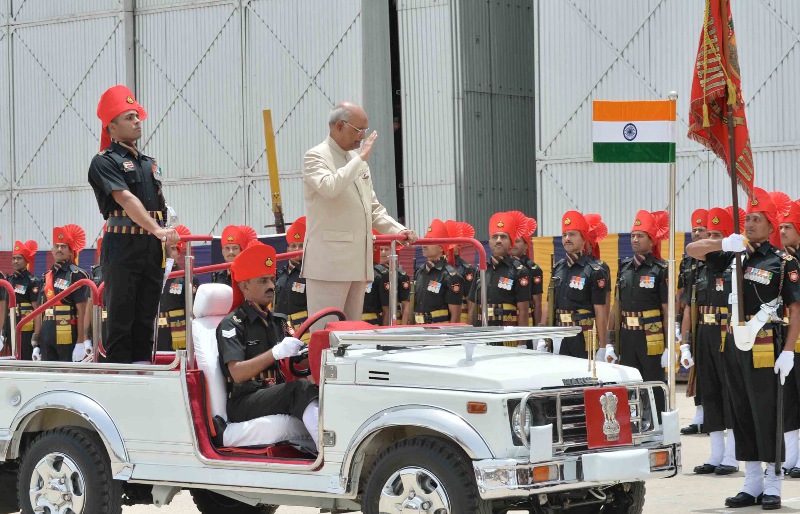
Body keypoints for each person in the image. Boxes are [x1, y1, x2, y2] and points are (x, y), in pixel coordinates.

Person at [686, 188, 800, 510]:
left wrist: (789, 350)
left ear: (770, 225)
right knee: (742, 412)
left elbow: (795, 308)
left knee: (768, 414)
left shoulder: (782, 261)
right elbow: (693, 249)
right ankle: (751, 483)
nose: (749, 223)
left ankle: (774, 483)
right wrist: (723, 243)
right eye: (747, 218)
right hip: (733, 345)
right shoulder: (733, 254)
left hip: (766, 345)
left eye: (756, 219)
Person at [88, 85, 180, 364]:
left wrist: (169, 237)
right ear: (112, 128)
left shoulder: (148, 163)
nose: (137, 121)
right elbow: (126, 199)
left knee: (146, 319)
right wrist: (158, 230)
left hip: (152, 247)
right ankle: (119, 379)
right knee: (121, 321)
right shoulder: (104, 162)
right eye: (129, 117)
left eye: (137, 116)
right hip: (123, 247)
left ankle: (142, 375)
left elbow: (160, 207)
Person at [302, 101, 417, 324]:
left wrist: (401, 231)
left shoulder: (356, 161)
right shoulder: (315, 156)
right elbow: (329, 188)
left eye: (365, 130)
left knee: (351, 333)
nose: (362, 136)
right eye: (358, 130)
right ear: (338, 126)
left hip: (358, 262)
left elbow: (372, 208)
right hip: (329, 264)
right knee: (327, 332)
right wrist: (360, 159)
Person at [216, 243, 319, 450]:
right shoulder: (233, 323)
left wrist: (317, 352)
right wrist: (275, 353)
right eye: (263, 281)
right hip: (244, 400)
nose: (271, 285)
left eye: (271, 279)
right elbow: (237, 373)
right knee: (299, 390)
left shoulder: (278, 320)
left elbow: (299, 360)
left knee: (323, 389)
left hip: (272, 393)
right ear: (245, 286)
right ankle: (327, 454)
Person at [689, 207, 741, 476]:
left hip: (728, 332)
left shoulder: (738, 261)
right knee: (709, 392)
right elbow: (690, 247)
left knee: (729, 393)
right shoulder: (702, 263)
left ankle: (732, 455)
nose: (710, 240)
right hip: (706, 333)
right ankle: (715, 453)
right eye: (708, 234)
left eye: (717, 234)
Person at [606, 210, 670, 417]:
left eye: (640, 235)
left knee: (653, 381)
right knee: (629, 381)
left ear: (651, 241)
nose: (635, 239)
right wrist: (610, 340)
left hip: (651, 335)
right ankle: (633, 421)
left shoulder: (660, 269)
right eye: (633, 235)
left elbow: (667, 310)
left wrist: (670, 346)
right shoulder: (624, 267)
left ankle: (659, 422)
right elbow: (617, 305)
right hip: (627, 335)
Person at [545, 211, 609, 359]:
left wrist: (603, 346)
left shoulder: (594, 270)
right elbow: (549, 304)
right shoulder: (558, 268)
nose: (567, 238)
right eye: (564, 235)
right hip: (560, 334)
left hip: (583, 336)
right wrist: (543, 336)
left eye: (572, 234)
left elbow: (600, 311)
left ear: (583, 239)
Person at [467, 211, 532, 341]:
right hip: (483, 336)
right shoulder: (481, 269)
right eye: (494, 236)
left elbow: (523, 311)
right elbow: (473, 306)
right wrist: (470, 337)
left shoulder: (519, 271)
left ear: (511, 242)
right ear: (489, 242)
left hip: (507, 335)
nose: (498, 240)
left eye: (503, 237)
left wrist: (522, 343)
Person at [38, 225, 90, 362]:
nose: (59, 249)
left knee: (66, 374)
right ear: (52, 250)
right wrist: (36, 341)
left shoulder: (77, 274)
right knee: (47, 374)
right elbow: (39, 310)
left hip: (67, 329)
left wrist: (80, 342)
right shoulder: (46, 276)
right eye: (56, 246)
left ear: (70, 251)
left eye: (63, 246)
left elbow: (83, 311)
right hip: (47, 330)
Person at [680, 208, 709, 435]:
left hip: (715, 323)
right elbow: (684, 299)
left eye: (701, 229)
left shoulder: (716, 260)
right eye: (694, 230)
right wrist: (682, 335)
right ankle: (699, 415)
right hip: (696, 322)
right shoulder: (687, 262)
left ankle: (713, 417)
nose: (696, 233)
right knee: (698, 373)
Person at [778, 196, 800, 479]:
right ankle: (792, 458)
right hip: (788, 342)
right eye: (780, 227)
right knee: (789, 402)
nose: (782, 231)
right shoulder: (782, 261)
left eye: (788, 227)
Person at [413, 219, 464, 324]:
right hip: (419, 330)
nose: (424, 245)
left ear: (441, 248)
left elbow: (455, 314)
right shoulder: (420, 271)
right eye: (424, 241)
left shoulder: (450, 275)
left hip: (439, 331)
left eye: (429, 242)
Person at [157, 225, 199, 352]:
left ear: (179, 253)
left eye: (174, 248)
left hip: (177, 336)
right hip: (155, 334)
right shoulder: (151, 277)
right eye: (166, 248)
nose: (170, 252)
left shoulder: (187, 277)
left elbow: (195, 313)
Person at [274, 218, 310, 341]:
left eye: (300, 246)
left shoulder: (309, 274)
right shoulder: (280, 275)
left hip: (304, 330)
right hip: (280, 329)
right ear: (287, 250)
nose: (296, 249)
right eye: (293, 246)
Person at [7, 240, 40, 360]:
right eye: (14, 258)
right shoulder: (9, 280)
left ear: (26, 260)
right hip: (10, 324)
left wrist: (36, 335)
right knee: (12, 356)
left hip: (26, 326)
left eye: (19, 258)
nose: (15, 261)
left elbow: (37, 310)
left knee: (25, 357)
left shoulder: (32, 281)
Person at [511, 214, 544, 326]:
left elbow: (537, 303)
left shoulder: (533, 269)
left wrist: (538, 332)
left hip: (526, 321)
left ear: (526, 245)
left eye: (518, 241)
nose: (514, 245)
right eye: (512, 241)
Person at [445, 220, 476, 324]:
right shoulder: (439, 267)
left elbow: (470, 301)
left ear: (459, 247)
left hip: (460, 316)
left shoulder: (467, 269)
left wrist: (469, 324)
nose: (449, 246)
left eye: (453, 244)